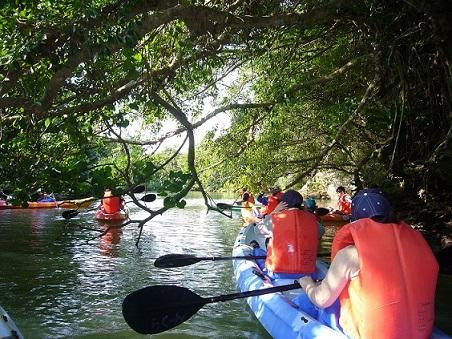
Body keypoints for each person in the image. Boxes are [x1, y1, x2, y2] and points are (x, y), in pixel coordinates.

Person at [298, 188, 438, 339]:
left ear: (356, 219)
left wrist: (306, 283)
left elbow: (321, 300)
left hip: (368, 334)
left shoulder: (351, 254)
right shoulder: (419, 245)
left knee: (313, 301)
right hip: (421, 333)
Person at [265, 189, 320, 278]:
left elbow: (258, 230)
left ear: (283, 204)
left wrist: (274, 212)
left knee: (262, 247)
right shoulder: (312, 219)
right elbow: (321, 232)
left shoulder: (275, 218)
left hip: (279, 272)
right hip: (306, 272)